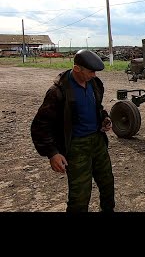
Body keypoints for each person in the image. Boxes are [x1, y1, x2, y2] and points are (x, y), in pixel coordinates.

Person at [31, 49, 115, 213]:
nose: (94, 75)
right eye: (91, 71)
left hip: (98, 142)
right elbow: (40, 126)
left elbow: (97, 107)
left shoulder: (95, 84)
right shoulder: (58, 92)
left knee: (107, 184)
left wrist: (104, 119)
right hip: (76, 146)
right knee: (80, 195)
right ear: (77, 69)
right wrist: (53, 153)